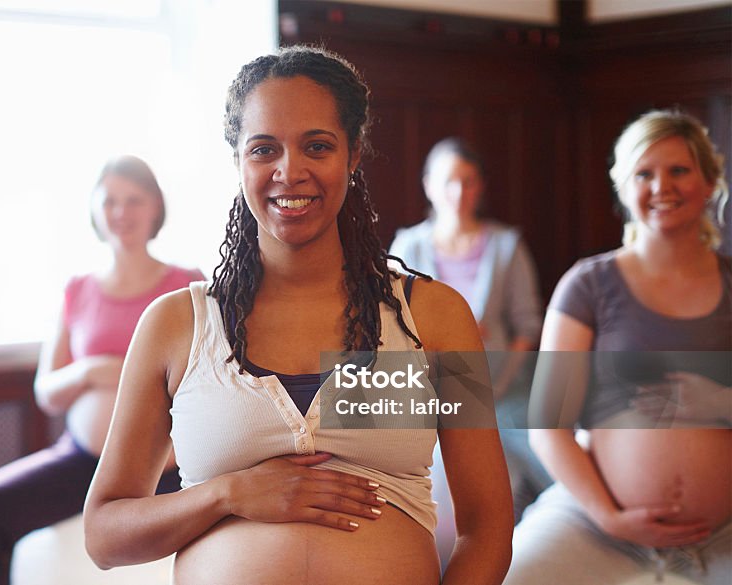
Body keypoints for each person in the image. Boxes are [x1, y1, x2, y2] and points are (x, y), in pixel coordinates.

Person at [83, 46, 513, 585]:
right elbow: (104, 535)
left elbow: (487, 525)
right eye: (264, 149)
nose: (290, 171)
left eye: (317, 146)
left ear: (354, 153)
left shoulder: (432, 317)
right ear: (237, 160)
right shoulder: (177, 325)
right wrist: (228, 493)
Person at [0, 155, 204, 585]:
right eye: (110, 202)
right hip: (82, 461)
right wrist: (90, 371)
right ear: (94, 211)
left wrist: (121, 375)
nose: (121, 213)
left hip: (162, 470)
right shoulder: (78, 290)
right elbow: (47, 392)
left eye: (134, 200)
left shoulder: (186, 285)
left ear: (156, 207)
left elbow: (205, 382)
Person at [506, 110, 731, 584]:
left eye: (679, 170)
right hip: (593, 524)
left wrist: (721, 401)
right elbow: (549, 424)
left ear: (710, 181)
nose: (660, 187)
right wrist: (608, 516)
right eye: (644, 173)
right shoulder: (587, 285)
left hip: (722, 531)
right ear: (624, 187)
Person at [389, 139, 551, 543]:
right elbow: (388, 327)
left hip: (504, 390)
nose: (458, 193)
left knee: (535, 470)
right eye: (448, 182)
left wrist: (495, 387)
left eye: (468, 182)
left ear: (480, 187)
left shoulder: (506, 246)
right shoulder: (408, 246)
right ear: (429, 186)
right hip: (427, 392)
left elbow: (527, 326)